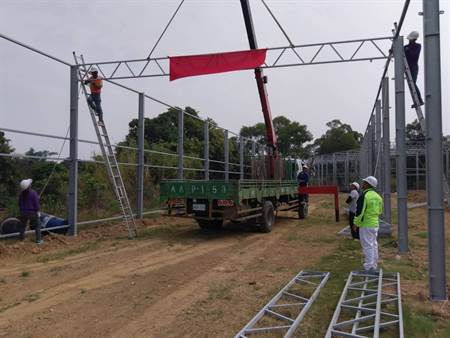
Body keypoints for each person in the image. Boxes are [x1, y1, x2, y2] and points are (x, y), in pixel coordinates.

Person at [354, 176, 383, 273]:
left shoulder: (365, 196)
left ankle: (368, 267)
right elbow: (380, 210)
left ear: (368, 184)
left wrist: (356, 223)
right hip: (375, 223)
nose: (363, 184)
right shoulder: (378, 196)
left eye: (364, 182)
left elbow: (359, 212)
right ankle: (373, 264)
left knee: (367, 245)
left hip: (366, 224)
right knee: (373, 244)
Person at [18, 179, 43, 245]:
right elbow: (36, 205)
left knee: (22, 226)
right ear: (29, 186)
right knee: (37, 225)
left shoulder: (21, 194)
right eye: (30, 184)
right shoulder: (33, 193)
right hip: (32, 213)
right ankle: (39, 240)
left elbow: (19, 204)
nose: (31, 184)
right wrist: (38, 211)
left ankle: (21, 239)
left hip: (23, 212)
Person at [404, 30, 424, 107]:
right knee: (410, 84)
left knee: (413, 83)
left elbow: (415, 56)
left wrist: (409, 51)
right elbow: (398, 52)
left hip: (414, 67)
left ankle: (419, 100)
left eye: (411, 39)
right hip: (407, 68)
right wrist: (392, 51)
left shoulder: (418, 46)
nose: (409, 41)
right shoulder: (405, 47)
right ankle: (416, 101)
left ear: (414, 39)